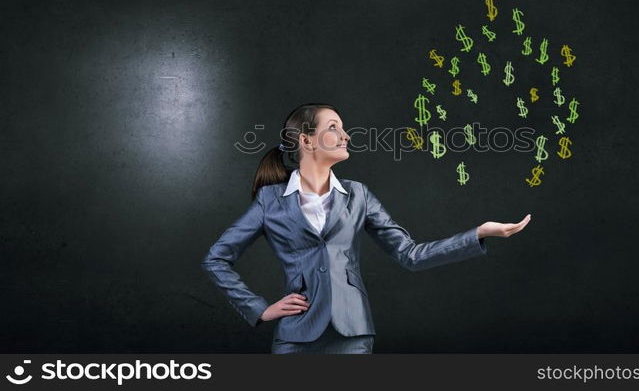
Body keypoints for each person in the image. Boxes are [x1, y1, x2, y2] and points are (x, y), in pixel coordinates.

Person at [201, 102, 532, 353]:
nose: (346, 135)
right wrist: (260, 309)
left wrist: (478, 234)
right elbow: (216, 258)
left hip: (353, 335)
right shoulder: (270, 200)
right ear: (307, 140)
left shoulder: (358, 194)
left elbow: (410, 254)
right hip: (295, 336)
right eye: (334, 127)